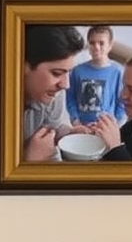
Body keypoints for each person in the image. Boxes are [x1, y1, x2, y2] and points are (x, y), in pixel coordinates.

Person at [22, 23, 86, 163]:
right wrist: (32, 161)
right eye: (57, 73)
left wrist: (68, 135)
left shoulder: (53, 95)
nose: (65, 85)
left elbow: (52, 128)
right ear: (23, 66)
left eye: (68, 73)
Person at [67, 25, 126, 128]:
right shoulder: (77, 71)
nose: (96, 47)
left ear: (110, 45)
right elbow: (70, 97)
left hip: (106, 128)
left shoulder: (118, 71)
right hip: (82, 127)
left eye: (101, 43)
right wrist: (75, 121)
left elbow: (121, 101)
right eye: (92, 43)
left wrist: (116, 123)